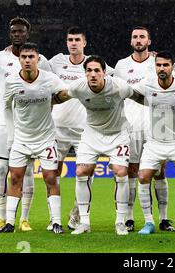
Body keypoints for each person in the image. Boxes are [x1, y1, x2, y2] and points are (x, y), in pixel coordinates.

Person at [0, 17, 51, 233]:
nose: (17, 34)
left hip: (29, 124)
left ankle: (24, 219)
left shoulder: (38, 59)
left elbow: (54, 83)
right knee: (2, 169)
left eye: (21, 31)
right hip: (3, 122)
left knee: (26, 172)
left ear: (27, 33)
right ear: (10, 33)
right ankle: (1, 217)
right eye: (14, 31)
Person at [53, 55, 144, 235]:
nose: (93, 74)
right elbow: (59, 97)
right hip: (91, 134)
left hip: (117, 134)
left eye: (97, 70)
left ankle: (120, 221)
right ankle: (84, 222)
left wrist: (161, 101)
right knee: (81, 172)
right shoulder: (78, 87)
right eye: (89, 70)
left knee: (121, 172)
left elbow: (139, 97)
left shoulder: (119, 86)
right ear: (85, 73)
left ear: (104, 73)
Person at [48, 26, 114, 231]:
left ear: (84, 43)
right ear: (66, 42)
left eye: (77, 39)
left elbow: (119, 75)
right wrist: (11, 50)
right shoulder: (55, 62)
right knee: (51, 173)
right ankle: (54, 218)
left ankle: (77, 215)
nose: (73, 43)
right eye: (70, 40)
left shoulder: (93, 65)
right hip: (56, 127)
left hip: (83, 129)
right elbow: (33, 62)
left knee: (86, 173)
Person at [0, 43, 66, 234]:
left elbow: (67, 92)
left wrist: (58, 99)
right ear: (19, 60)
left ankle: (56, 222)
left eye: (31, 57)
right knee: (15, 179)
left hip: (46, 139)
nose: (27, 60)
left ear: (38, 59)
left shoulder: (50, 79)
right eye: (24, 57)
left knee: (51, 178)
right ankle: (10, 223)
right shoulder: (11, 81)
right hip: (21, 140)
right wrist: (11, 137)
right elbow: (6, 108)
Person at [114, 26, 174, 232]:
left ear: (149, 41)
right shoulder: (121, 65)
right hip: (130, 125)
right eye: (135, 37)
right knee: (131, 171)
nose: (138, 40)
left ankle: (164, 218)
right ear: (131, 41)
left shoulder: (158, 62)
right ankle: (129, 218)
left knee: (159, 171)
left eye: (142, 37)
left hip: (156, 124)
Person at [133, 51, 175, 235]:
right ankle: (149, 222)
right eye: (158, 65)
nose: (161, 68)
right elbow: (131, 92)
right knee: (143, 177)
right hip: (154, 142)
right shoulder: (147, 83)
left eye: (165, 65)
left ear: (172, 66)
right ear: (155, 66)